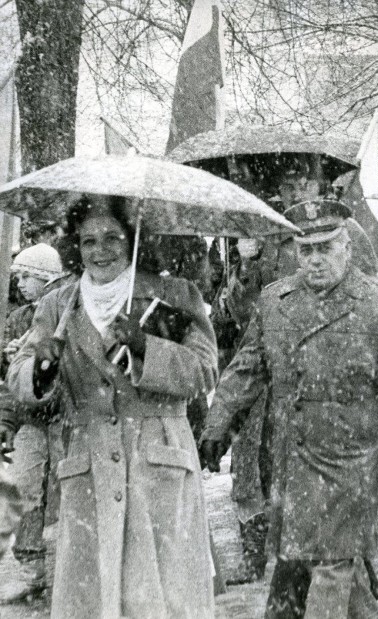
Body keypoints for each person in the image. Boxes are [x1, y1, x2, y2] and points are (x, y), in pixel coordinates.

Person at [200, 199, 378, 619]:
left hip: (352, 461)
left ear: (347, 248)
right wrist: (218, 425)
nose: (315, 261)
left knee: (331, 571)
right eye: (307, 250)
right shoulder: (275, 302)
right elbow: (246, 368)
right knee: (304, 572)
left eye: (326, 248)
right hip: (291, 459)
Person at [6, 196, 219, 618]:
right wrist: (43, 368)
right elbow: (18, 378)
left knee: (161, 597)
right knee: (95, 596)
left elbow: (205, 371)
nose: (100, 251)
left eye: (112, 238)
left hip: (158, 461)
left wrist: (146, 347)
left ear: (133, 239)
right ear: (75, 247)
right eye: (88, 242)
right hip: (89, 465)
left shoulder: (174, 295)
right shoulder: (58, 305)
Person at [0, 243, 65, 603]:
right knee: (23, 488)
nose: (21, 283)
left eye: (28, 276)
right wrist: (6, 419)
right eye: (19, 276)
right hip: (30, 421)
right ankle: (30, 570)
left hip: (64, 419)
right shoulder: (18, 320)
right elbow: (9, 381)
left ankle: (65, 568)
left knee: (66, 493)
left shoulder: (65, 310)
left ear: (46, 278)